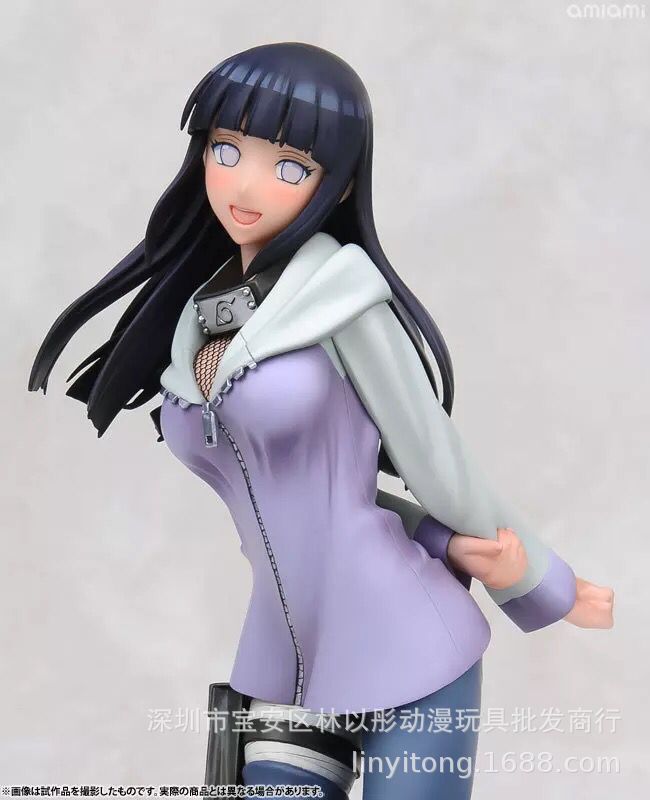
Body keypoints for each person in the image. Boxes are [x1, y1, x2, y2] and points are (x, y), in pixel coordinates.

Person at [29, 42, 614, 800]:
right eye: (227, 150)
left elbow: (435, 457)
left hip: (406, 643)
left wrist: (545, 581)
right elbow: (326, 494)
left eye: (289, 166)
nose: (246, 185)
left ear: (335, 187)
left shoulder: (344, 301)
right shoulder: (201, 322)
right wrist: (437, 539)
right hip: (282, 659)